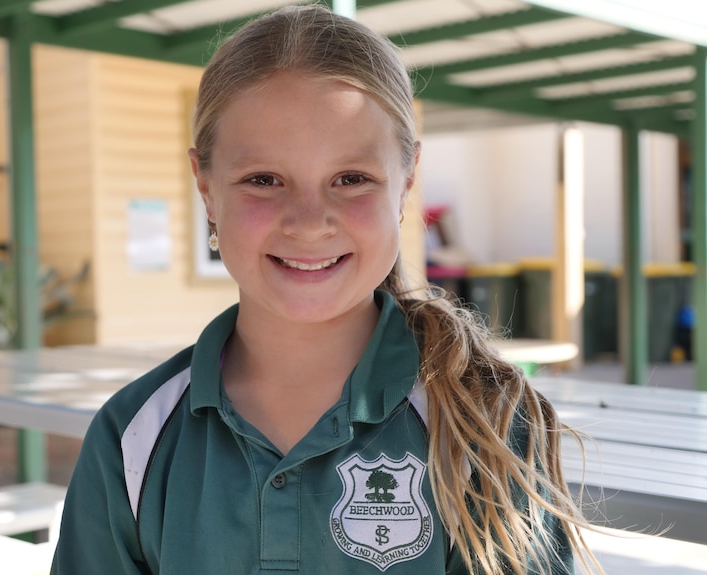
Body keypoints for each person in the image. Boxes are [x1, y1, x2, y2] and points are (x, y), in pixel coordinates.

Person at [51, 5, 603, 574]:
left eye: (351, 179)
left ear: (407, 180)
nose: (309, 221)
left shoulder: (482, 423)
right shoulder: (133, 436)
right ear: (206, 187)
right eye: (264, 180)